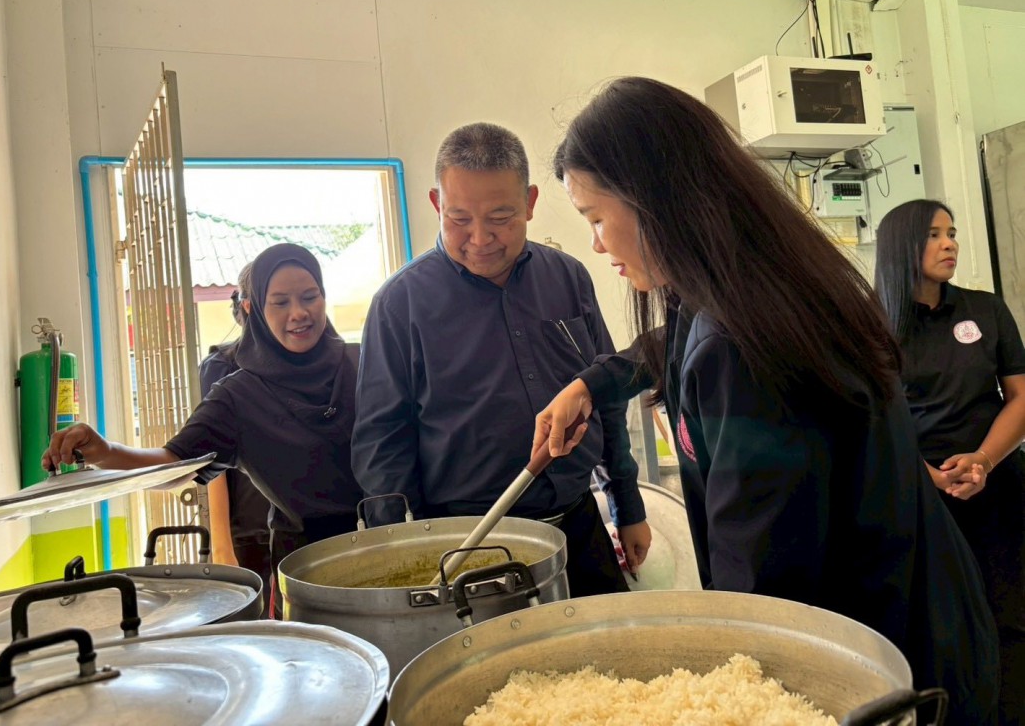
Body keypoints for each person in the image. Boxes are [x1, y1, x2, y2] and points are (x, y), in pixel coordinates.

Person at [533, 77, 999, 723]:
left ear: (653, 200)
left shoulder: (741, 349)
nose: (596, 244)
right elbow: (671, 341)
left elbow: (763, 578)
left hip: (879, 663)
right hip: (918, 622)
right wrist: (592, 383)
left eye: (594, 218)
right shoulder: (755, 286)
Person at [352, 122, 651, 597]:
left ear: (530, 203)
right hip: (473, 545)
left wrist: (627, 506)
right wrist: (405, 559)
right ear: (436, 204)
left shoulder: (568, 278)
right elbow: (382, 443)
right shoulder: (399, 304)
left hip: (579, 526)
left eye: (500, 216)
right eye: (459, 218)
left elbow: (605, 399)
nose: (480, 238)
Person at [44, 243, 364, 617]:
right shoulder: (238, 396)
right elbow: (174, 464)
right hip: (307, 575)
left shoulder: (364, 361)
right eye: (280, 302)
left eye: (310, 297)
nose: (299, 313)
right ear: (254, 310)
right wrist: (105, 452)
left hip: (388, 542)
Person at [875, 198, 1025, 725]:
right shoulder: (870, 323)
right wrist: (929, 477)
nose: (950, 244)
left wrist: (983, 460)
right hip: (917, 496)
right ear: (902, 246)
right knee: (935, 624)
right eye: (934, 235)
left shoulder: (985, 309)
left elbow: (1020, 398)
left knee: (1010, 616)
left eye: (952, 233)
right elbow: (868, 422)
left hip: (996, 484)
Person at [198, 261, 273, 605]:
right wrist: (222, 547)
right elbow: (212, 462)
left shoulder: (309, 362)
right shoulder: (222, 366)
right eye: (277, 301)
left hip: (302, 527)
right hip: (251, 531)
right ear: (248, 308)